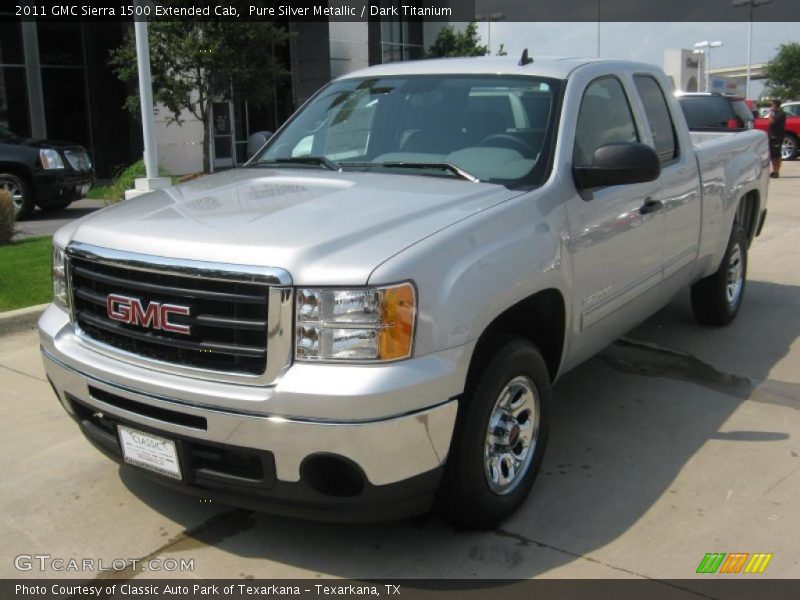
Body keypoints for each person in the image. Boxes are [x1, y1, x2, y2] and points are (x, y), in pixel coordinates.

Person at [768, 99, 786, 178]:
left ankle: (776, 172)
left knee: (776, 155)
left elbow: (771, 121)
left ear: (775, 105)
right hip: (773, 137)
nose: (770, 107)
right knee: (773, 155)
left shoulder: (780, 113)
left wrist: (770, 113)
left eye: (772, 105)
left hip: (777, 137)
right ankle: (774, 171)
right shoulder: (777, 113)